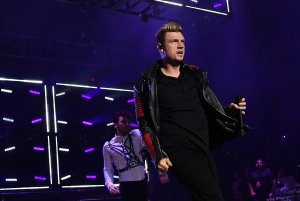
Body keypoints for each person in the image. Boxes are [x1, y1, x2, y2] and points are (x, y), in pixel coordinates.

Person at [133, 22, 248, 201]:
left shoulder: (196, 74)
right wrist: (158, 156)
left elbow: (209, 109)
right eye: (174, 41)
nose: (180, 45)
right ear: (160, 46)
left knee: (203, 195)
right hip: (178, 150)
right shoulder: (146, 83)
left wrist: (229, 111)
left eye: (183, 41)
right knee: (212, 196)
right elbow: (144, 124)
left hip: (203, 146)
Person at [103, 111, 168, 201]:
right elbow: (107, 168)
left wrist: (162, 171)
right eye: (124, 122)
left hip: (142, 184)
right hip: (126, 187)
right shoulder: (108, 145)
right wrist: (110, 185)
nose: (127, 124)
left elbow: (152, 150)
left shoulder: (136, 135)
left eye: (129, 122)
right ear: (115, 125)